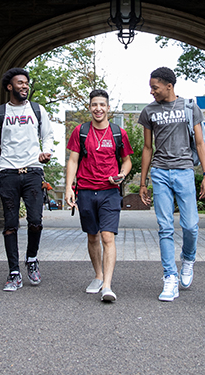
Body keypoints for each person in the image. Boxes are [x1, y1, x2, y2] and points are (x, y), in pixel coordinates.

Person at [138, 67, 205, 302]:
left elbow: (200, 144)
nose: (152, 92)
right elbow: (148, 148)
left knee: (190, 225)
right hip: (160, 172)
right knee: (165, 227)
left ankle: (188, 258)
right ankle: (170, 277)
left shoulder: (189, 107)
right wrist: (143, 182)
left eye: (155, 87)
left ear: (169, 86)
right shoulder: (149, 111)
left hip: (184, 171)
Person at [0, 67, 54, 292]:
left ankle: (31, 258)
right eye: (20, 83)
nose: (24, 86)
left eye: (26, 83)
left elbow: (48, 135)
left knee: (35, 221)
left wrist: (47, 151)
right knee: (10, 225)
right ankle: (14, 272)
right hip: (8, 173)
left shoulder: (37, 110)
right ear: (10, 87)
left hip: (33, 171)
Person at [65, 89, 134, 302]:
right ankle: (98, 276)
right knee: (92, 235)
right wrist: (69, 187)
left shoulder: (118, 133)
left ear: (108, 108)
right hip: (85, 190)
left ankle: (107, 286)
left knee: (107, 236)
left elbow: (127, 160)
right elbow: (73, 160)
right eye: (94, 104)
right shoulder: (81, 131)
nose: (98, 108)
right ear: (90, 107)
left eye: (102, 105)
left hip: (109, 192)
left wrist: (122, 174)